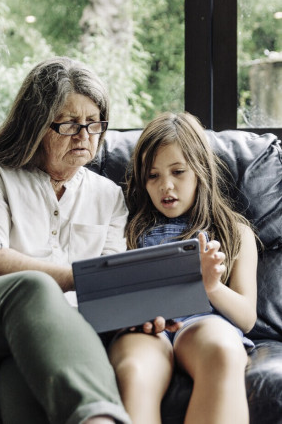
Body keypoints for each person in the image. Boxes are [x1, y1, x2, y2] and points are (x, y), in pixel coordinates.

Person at [0, 57, 132, 424]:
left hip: (50, 331)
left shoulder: (110, 196)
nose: (84, 136)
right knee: (34, 287)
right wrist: (79, 277)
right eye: (70, 124)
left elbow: (109, 286)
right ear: (36, 124)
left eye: (93, 124)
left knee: (22, 369)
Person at [108, 112, 258, 424]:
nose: (166, 186)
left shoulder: (234, 232)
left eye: (178, 172)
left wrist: (212, 286)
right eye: (153, 176)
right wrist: (135, 314)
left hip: (204, 324)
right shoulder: (127, 229)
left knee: (224, 352)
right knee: (135, 371)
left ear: (200, 170)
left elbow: (246, 318)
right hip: (147, 329)